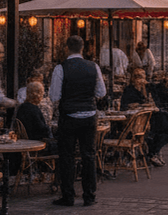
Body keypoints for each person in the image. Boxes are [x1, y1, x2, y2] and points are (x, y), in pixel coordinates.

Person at [49, 34, 106, 207]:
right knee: (89, 155)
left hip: (69, 116)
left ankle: (68, 196)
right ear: (82, 49)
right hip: (89, 115)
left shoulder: (61, 68)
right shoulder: (93, 67)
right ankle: (89, 195)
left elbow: (54, 96)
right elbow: (101, 92)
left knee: (67, 156)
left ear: (67, 48)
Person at [119, 68, 168, 166]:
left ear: (145, 77)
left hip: (154, 116)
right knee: (151, 131)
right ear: (132, 78)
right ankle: (152, 153)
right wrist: (134, 105)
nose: (138, 79)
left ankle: (154, 151)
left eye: (141, 76)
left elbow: (159, 99)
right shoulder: (129, 90)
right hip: (137, 120)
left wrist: (145, 90)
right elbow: (124, 106)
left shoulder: (150, 87)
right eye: (136, 76)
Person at [16, 81, 57, 153]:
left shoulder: (21, 107)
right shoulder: (34, 109)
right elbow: (41, 128)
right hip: (35, 143)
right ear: (38, 95)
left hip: (25, 141)